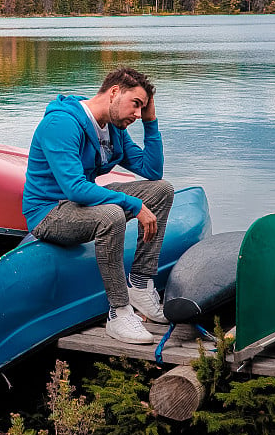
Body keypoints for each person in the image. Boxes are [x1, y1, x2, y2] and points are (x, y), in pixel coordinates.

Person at [22, 67, 174, 344]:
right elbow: (74, 188)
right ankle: (119, 311)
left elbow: (152, 171)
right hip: (49, 213)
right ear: (115, 92)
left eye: (143, 109)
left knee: (161, 191)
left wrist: (151, 123)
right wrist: (134, 205)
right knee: (112, 214)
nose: (137, 114)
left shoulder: (114, 129)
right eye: (136, 105)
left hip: (81, 206)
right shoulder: (62, 124)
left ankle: (140, 283)